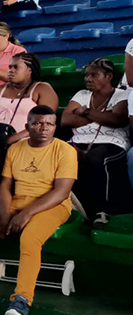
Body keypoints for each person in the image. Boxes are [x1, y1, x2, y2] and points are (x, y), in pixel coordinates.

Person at [0, 106, 77, 315]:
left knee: (30, 238)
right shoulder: (16, 149)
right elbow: (5, 186)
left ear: (55, 126)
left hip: (52, 205)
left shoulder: (65, 150)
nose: (44, 128)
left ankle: (21, 300)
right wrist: (5, 214)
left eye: (49, 124)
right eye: (37, 123)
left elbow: (61, 192)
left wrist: (25, 215)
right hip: (19, 201)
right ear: (27, 126)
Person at [61, 58, 131, 228]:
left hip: (112, 141)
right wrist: (100, 115)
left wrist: (83, 112)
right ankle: (68, 207)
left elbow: (117, 120)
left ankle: (102, 210)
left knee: (96, 158)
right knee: (57, 153)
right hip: (78, 140)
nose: (88, 79)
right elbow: (65, 120)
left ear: (108, 76)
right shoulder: (81, 95)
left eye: (94, 75)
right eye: (86, 75)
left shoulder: (122, 94)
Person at [0, 52, 59, 149]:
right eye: (10, 67)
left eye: (16, 67)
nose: (11, 71)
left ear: (29, 70)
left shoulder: (42, 89)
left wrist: (10, 140)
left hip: (27, 141)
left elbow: (44, 122)